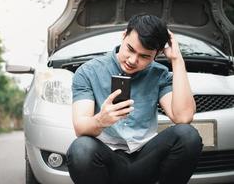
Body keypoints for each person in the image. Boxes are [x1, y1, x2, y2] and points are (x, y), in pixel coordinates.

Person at [66, 14, 203, 184]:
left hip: (146, 158)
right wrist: (100, 120)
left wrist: (176, 59)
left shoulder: (159, 74)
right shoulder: (88, 72)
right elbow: (80, 127)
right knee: (81, 149)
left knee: (188, 135)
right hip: (107, 159)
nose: (133, 60)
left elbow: (183, 117)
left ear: (157, 54)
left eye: (144, 56)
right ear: (123, 36)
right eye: (130, 49)